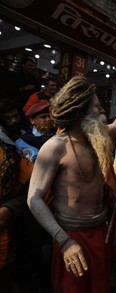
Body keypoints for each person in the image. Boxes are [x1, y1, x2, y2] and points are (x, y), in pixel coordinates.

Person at [27, 76, 116, 293]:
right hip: (70, 237)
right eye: (95, 106)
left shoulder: (95, 137)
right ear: (79, 111)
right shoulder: (55, 147)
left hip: (99, 233)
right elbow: (34, 198)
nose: (100, 109)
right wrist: (64, 241)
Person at [0, 98, 34, 292]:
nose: (13, 121)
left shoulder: (19, 142)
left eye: (16, 116)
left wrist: (9, 208)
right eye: (8, 118)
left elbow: (28, 188)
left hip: (10, 219)